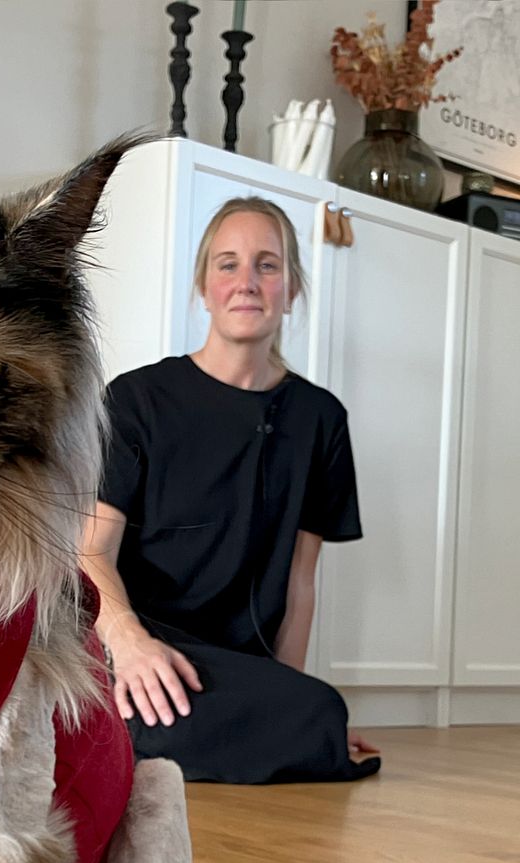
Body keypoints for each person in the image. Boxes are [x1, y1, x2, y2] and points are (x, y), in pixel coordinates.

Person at [82, 197, 381, 784]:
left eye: (267, 265)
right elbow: (90, 552)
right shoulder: (137, 400)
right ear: (204, 287)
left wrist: (286, 694)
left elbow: (299, 582)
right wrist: (131, 643)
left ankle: (136, 736)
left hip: (228, 666)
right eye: (228, 264)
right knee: (139, 696)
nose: (247, 282)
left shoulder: (321, 419)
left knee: (320, 710)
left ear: (291, 290)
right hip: (135, 643)